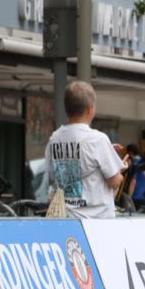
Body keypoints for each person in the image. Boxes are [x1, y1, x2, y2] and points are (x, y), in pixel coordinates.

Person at [44, 81, 127, 219]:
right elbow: (114, 181)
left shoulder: (54, 139)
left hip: (66, 218)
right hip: (96, 221)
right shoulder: (98, 140)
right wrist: (121, 169)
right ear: (90, 108)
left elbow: (53, 175)